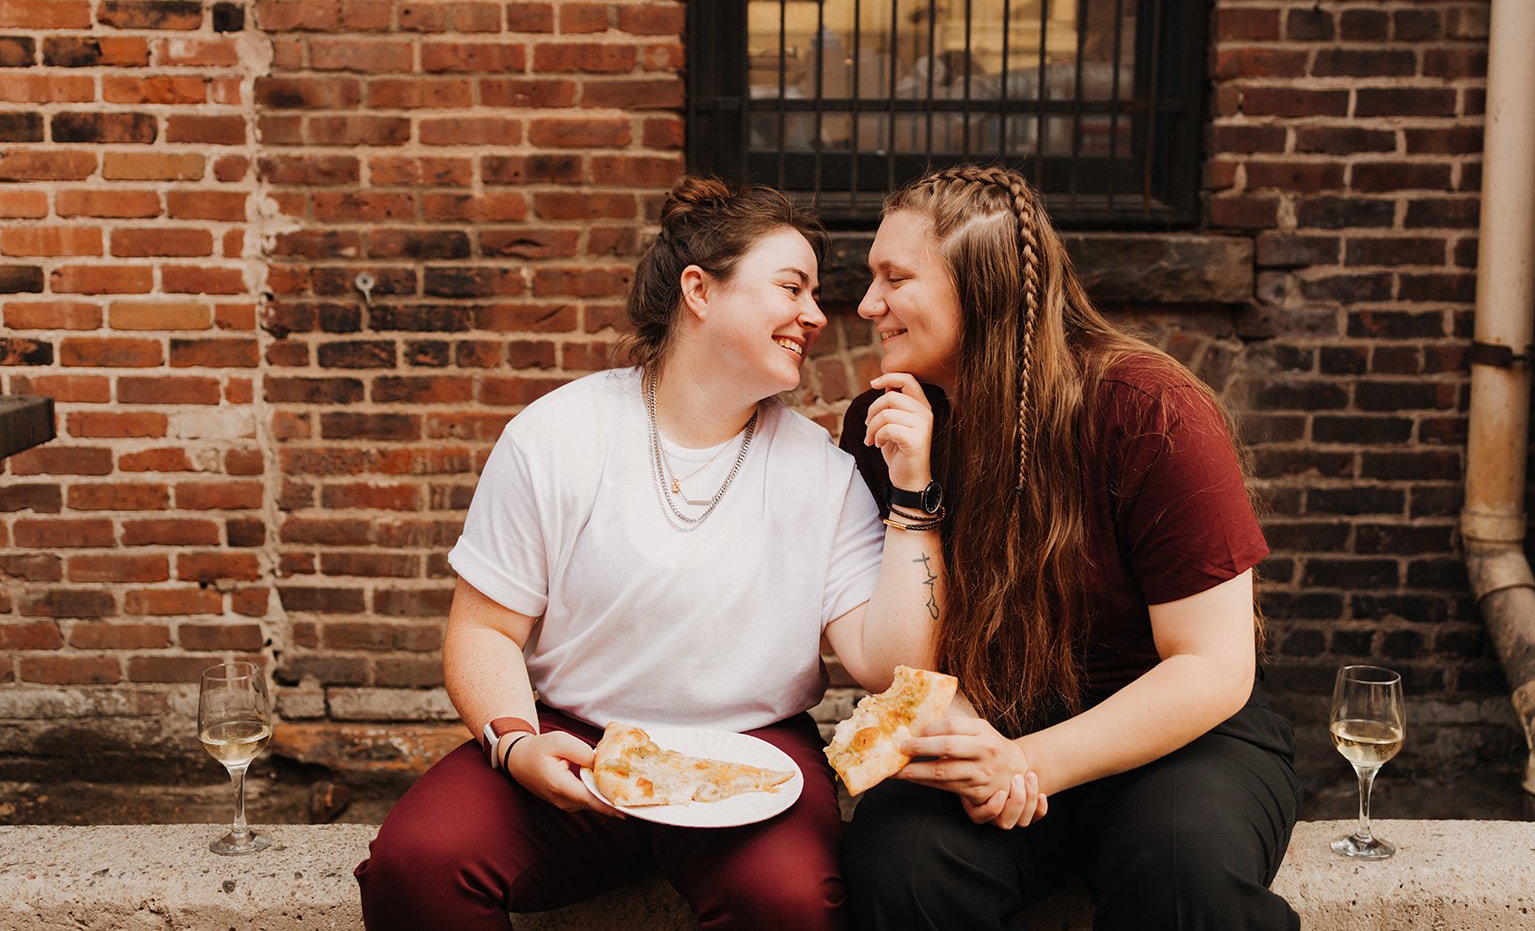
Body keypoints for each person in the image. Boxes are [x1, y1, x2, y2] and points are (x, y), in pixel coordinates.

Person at [356, 175, 936, 931]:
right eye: (792, 287)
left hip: (753, 762)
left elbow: (885, 665)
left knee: (788, 902)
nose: (814, 315)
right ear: (699, 290)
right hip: (576, 739)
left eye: (815, 294)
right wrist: (514, 741)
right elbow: (483, 630)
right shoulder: (558, 435)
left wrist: (914, 492)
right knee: (415, 867)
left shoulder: (823, 473)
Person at [839, 166, 1302, 930]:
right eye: (870, 277)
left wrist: (1028, 763)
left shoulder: (1151, 411)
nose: (867, 304)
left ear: (981, 288)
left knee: (1181, 874)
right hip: (994, 723)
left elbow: (1213, 666)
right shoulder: (886, 426)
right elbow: (906, 663)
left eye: (895, 277)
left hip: (1177, 737)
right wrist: (913, 487)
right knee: (902, 867)